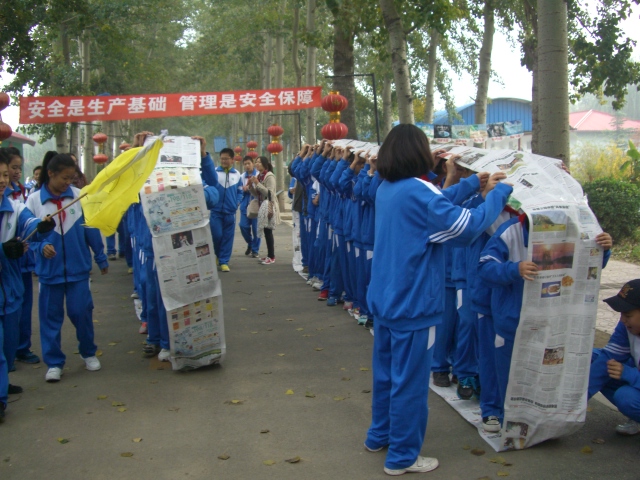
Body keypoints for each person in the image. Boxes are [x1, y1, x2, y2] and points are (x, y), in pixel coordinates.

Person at [363, 124, 512, 475]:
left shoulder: (389, 188)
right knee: (411, 383)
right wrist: (498, 194)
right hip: (414, 303)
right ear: (417, 152)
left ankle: (379, 435)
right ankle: (402, 456)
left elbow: (436, 205)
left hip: (386, 300)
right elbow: (467, 227)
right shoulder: (418, 192)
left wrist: (472, 184)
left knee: (386, 374)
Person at [478, 215, 612, 422]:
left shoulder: (574, 229)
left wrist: (604, 248)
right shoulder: (511, 231)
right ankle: (495, 412)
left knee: (544, 373)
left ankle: (537, 419)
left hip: (553, 319)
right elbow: (485, 268)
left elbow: (589, 266)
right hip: (513, 320)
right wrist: (515, 269)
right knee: (503, 371)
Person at [26, 154, 109, 382]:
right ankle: (54, 363)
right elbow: (27, 235)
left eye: (71, 178)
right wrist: (42, 246)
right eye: (64, 177)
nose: (68, 182)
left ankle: (88, 352)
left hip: (78, 270)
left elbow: (90, 228)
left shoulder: (79, 197)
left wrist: (101, 257)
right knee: (50, 318)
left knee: (81, 312)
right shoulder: (33, 201)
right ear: (50, 174)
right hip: (49, 273)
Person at [0, 149, 55, 419]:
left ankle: (4, 380)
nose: (3, 179)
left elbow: (29, 224)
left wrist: (41, 226)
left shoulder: (14, 208)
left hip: (9, 286)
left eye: (4, 174)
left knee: (9, 342)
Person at [2, 148, 42, 367]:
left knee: (20, 308)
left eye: (18, 168)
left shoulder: (18, 195)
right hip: (8, 262)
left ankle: (20, 348)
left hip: (20, 261)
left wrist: (41, 226)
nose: (15, 173)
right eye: (12, 168)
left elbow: (30, 222)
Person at [588, 279, 640, 435]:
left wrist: (628, 374)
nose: (623, 319)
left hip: (634, 379)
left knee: (626, 397)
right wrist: (577, 401)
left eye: (628, 314)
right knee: (593, 359)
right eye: (621, 314)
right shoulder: (626, 327)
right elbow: (609, 357)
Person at [202, 146, 242, 272]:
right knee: (217, 235)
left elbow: (240, 192)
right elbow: (204, 183)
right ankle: (218, 255)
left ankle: (224, 261)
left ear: (232, 160)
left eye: (226, 159)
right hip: (216, 211)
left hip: (230, 212)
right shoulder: (214, 172)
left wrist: (237, 202)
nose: (224, 161)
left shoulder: (237, 175)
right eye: (222, 159)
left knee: (228, 237)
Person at [249, 156, 280, 265]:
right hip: (262, 206)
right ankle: (269, 255)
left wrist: (257, 183)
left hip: (269, 206)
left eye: (259, 162)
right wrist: (251, 187)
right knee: (266, 231)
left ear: (265, 164)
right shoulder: (259, 176)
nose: (257, 164)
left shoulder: (269, 176)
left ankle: (271, 256)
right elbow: (256, 194)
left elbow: (270, 193)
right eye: (256, 162)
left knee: (268, 231)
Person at [239, 156, 261, 257]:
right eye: (245, 164)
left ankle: (255, 249)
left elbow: (261, 188)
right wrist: (242, 189)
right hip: (245, 204)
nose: (247, 166)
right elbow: (239, 189)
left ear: (253, 163)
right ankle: (250, 243)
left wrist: (251, 187)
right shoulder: (242, 176)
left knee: (256, 229)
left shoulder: (258, 175)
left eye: (249, 163)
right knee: (243, 226)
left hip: (256, 203)